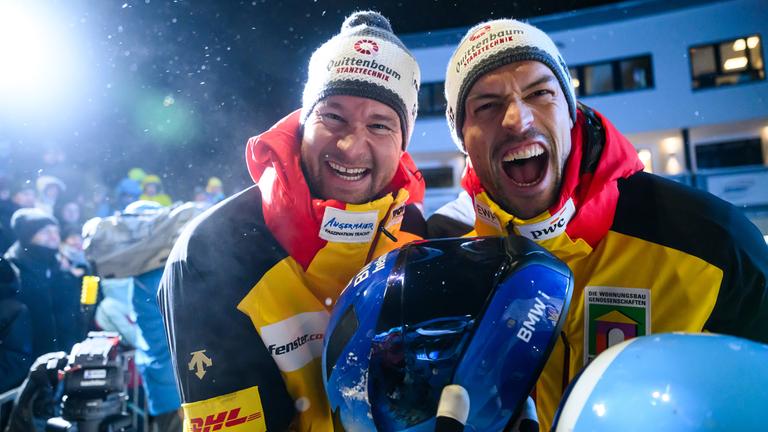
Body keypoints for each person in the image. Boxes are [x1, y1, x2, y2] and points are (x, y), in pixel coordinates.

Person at [429, 18, 768, 430]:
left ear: (570, 113)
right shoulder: (447, 254)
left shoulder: (709, 240)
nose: (518, 119)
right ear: (463, 138)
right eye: (486, 105)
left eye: (540, 92)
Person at [159, 11, 423, 431]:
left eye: (380, 124)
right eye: (333, 116)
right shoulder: (212, 250)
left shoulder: (415, 231)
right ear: (302, 124)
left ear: (402, 143)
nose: (353, 146)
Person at [4, 208, 84, 360]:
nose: (54, 237)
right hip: (29, 361)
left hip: (65, 355)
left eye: (56, 231)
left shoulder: (59, 265)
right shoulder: (13, 270)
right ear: (28, 235)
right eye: (46, 232)